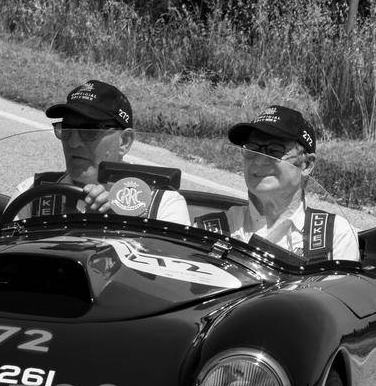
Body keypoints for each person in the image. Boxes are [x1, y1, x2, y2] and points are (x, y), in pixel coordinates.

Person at [197, 106, 359, 262]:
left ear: (307, 165)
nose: (259, 161)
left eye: (274, 151)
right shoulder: (206, 230)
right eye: (252, 149)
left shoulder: (334, 237)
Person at [34, 79, 190, 226]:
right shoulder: (35, 194)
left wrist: (118, 227)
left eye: (89, 130)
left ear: (124, 142)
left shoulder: (162, 205)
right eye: (67, 129)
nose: (73, 143)